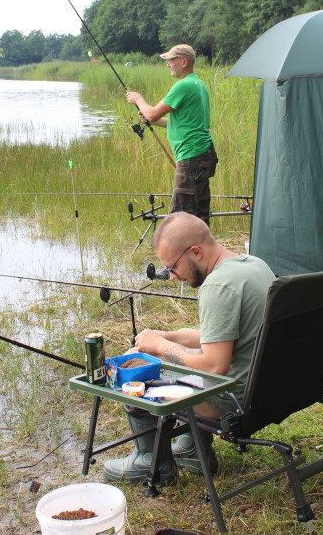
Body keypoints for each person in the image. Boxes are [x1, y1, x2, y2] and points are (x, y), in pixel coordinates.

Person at [102, 212, 276, 485]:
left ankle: (152, 463)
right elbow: (220, 337)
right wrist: (167, 335)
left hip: (232, 401)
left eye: (172, 267)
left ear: (195, 252)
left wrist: (160, 347)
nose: (171, 277)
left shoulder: (218, 286)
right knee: (167, 350)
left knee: (142, 364)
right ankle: (193, 449)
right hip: (267, 391)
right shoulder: (253, 265)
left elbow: (214, 365)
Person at [126, 44, 217, 226]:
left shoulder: (183, 86)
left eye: (171, 60)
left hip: (191, 157)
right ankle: (202, 253)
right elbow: (181, 124)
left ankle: (179, 254)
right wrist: (153, 120)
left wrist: (138, 99)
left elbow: (151, 113)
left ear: (184, 62)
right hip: (204, 155)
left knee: (178, 221)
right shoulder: (199, 85)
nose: (168, 65)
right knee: (199, 218)